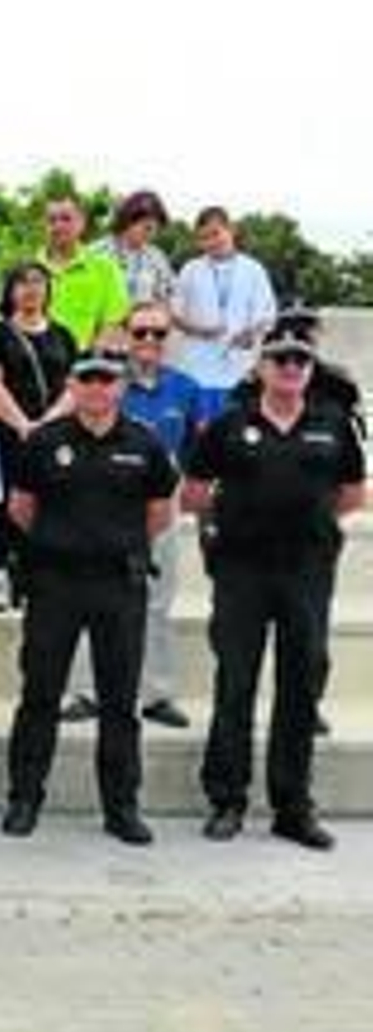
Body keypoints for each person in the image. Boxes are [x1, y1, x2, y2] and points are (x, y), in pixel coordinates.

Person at [184, 321, 366, 850]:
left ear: (310, 371)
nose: (290, 368)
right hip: (241, 569)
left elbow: (354, 494)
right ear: (261, 367)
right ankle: (227, 799)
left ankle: (292, 806)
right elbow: (194, 493)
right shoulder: (227, 425)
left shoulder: (333, 425)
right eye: (280, 360)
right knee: (235, 683)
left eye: (300, 362)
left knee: (300, 685)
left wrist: (303, 520)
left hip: (307, 570)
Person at [1, 351, 178, 845]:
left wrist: (112, 544)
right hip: (55, 582)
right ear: (72, 386)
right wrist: (64, 542)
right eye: (88, 380)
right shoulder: (44, 442)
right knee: (40, 694)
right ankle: (24, 798)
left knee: (120, 702)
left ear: (120, 388)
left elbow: (159, 513)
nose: (98, 389)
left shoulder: (145, 444)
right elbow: (21, 508)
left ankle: (121, 807)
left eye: (107, 380)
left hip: (119, 585)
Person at [61, 300, 203, 728]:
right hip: (104, 502)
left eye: (158, 333)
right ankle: (87, 692)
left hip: (161, 501)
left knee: (157, 602)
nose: (148, 341)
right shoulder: (105, 381)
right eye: (140, 331)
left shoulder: (186, 387)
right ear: (125, 333)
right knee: (91, 596)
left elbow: (195, 451)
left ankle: (156, 693)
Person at [0, 262, 76, 610]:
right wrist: (21, 424)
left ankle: (37, 572)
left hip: (53, 430)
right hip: (7, 430)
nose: (31, 290)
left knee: (47, 500)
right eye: (22, 282)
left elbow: (74, 386)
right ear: (10, 290)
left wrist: (47, 422)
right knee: (5, 501)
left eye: (38, 282)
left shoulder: (63, 335)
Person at [173, 206, 278, 422]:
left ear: (231, 230)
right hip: (197, 371)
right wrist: (198, 330)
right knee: (201, 438)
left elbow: (268, 315)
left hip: (239, 372)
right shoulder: (190, 269)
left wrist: (250, 333)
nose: (211, 242)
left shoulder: (254, 269)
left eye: (216, 234)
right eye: (203, 238)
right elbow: (174, 315)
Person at [40, 195, 130, 351]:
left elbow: (112, 324)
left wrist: (88, 364)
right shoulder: (28, 270)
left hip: (85, 365)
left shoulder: (105, 269)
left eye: (66, 219)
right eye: (51, 220)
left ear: (81, 223)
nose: (58, 226)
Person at [96, 190, 176, 306]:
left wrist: (162, 310)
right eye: (147, 227)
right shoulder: (98, 252)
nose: (151, 234)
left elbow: (171, 294)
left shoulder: (157, 257)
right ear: (128, 220)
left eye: (155, 230)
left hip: (146, 322)